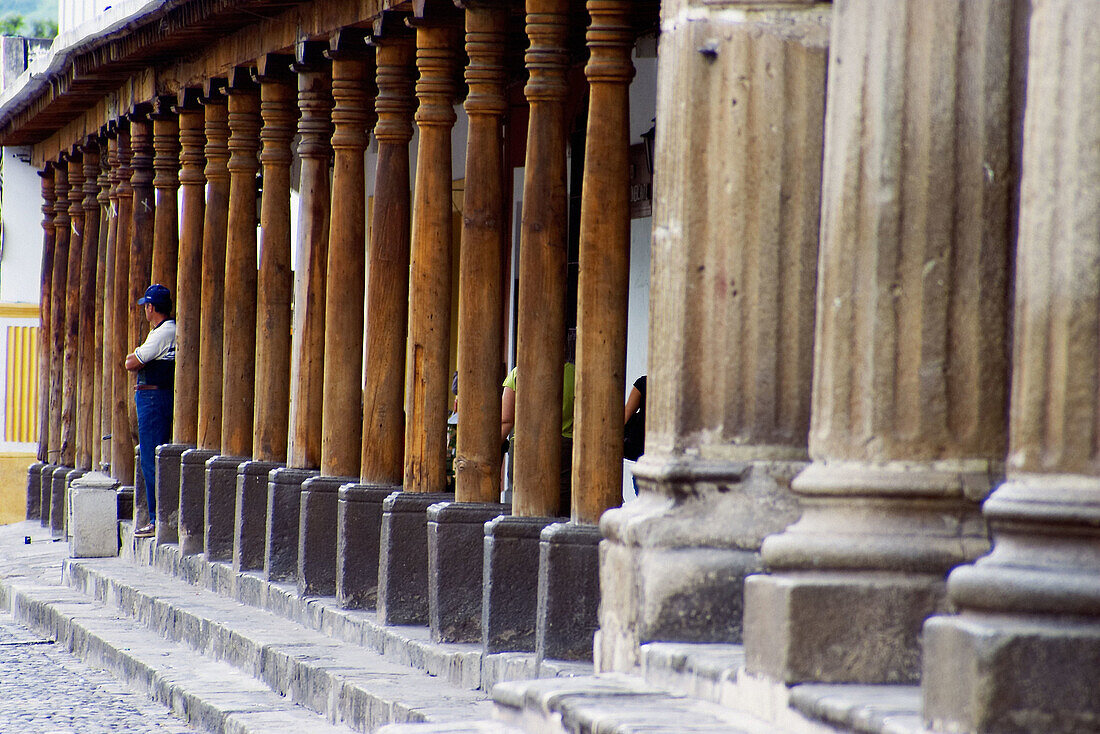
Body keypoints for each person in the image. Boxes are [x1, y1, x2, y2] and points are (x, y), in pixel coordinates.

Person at [125, 284, 176, 538]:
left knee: (151, 460)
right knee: (151, 458)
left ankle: (157, 519)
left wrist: (132, 358)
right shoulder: (162, 332)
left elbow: (131, 362)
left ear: (151, 307)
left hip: (154, 399)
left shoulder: (163, 333)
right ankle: (158, 518)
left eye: (146, 305)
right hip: (154, 397)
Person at [500, 361, 576, 517]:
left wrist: (493, 449)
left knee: (524, 501)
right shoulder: (576, 373)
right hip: (564, 446)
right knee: (562, 502)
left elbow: (506, 420)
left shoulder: (517, 373)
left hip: (524, 445)